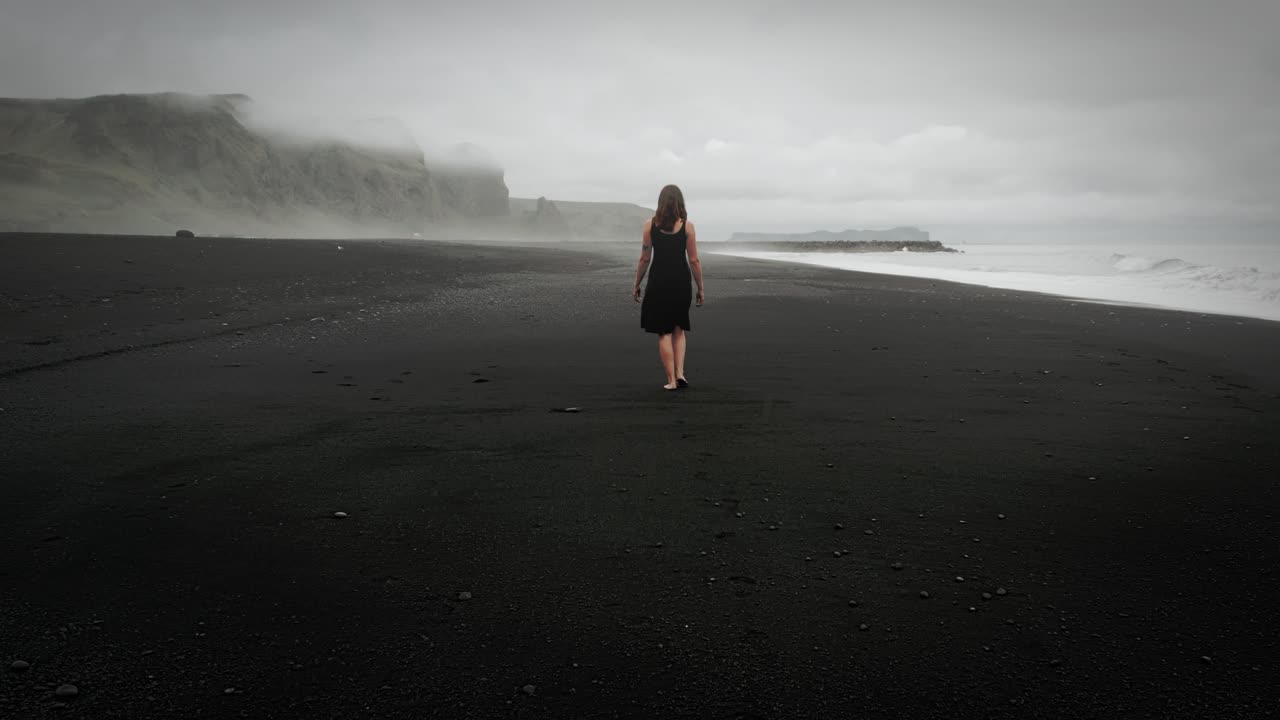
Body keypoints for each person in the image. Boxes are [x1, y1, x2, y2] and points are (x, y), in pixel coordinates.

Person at [632, 184, 705, 391]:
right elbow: (694, 261)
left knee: (664, 332)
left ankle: (672, 380)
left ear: (660, 203)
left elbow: (644, 259)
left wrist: (636, 284)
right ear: (680, 203)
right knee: (679, 329)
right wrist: (700, 288)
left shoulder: (649, 226)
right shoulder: (688, 227)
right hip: (681, 282)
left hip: (658, 282)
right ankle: (680, 374)